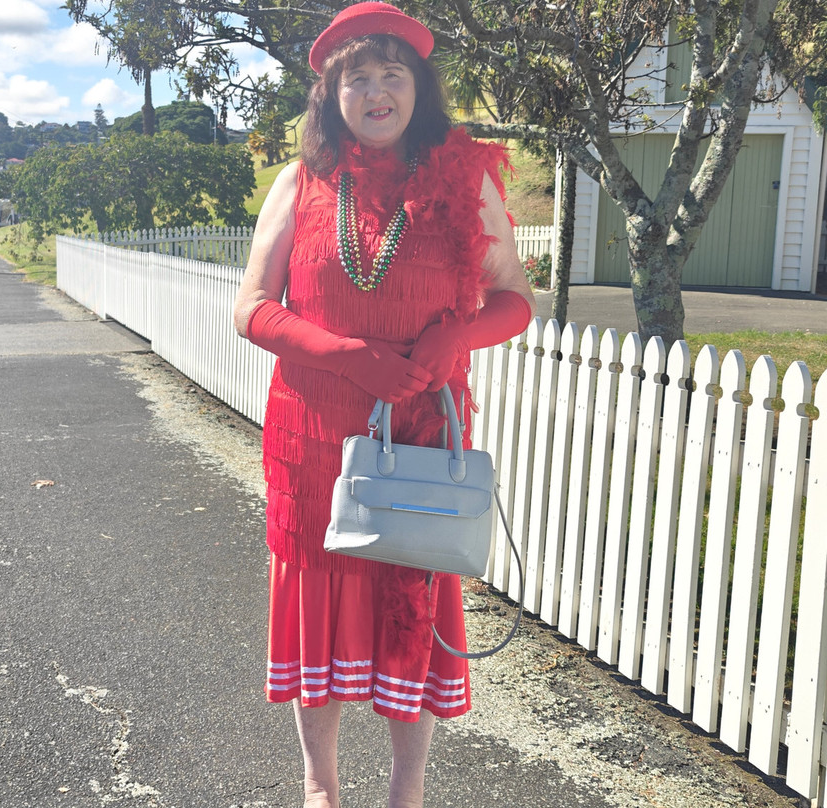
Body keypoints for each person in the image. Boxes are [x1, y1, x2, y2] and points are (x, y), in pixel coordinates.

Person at [232, 4, 536, 805]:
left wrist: (457, 339)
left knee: (411, 595)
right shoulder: (300, 182)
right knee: (320, 597)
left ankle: (408, 787)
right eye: (355, 77)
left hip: (421, 435)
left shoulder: (464, 179)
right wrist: (345, 355)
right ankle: (320, 783)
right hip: (316, 438)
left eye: (390, 75)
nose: (375, 92)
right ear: (330, 94)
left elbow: (515, 299)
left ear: (418, 88)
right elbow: (253, 307)